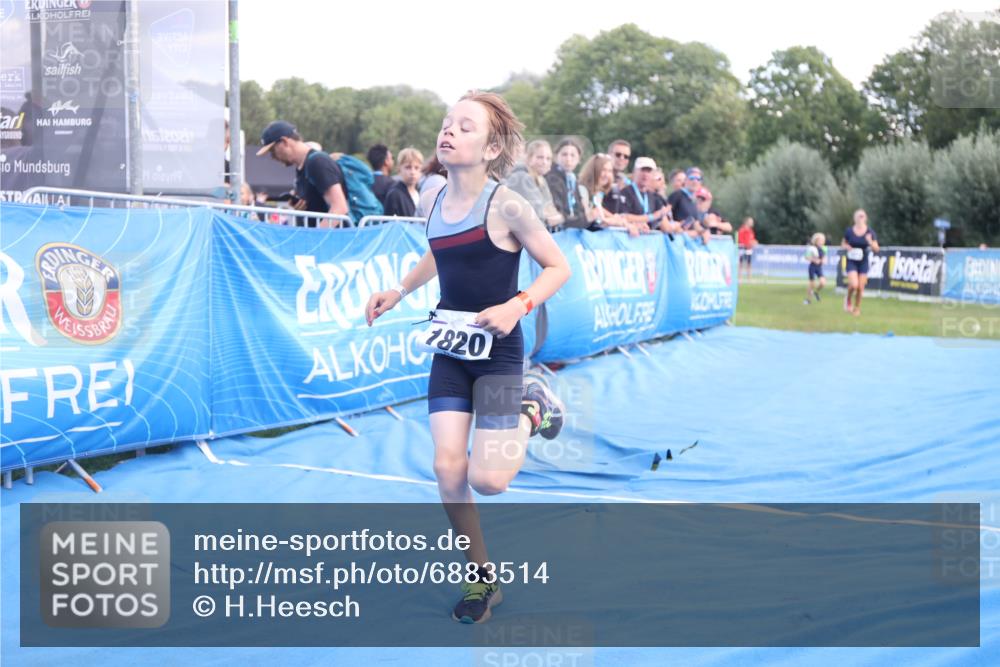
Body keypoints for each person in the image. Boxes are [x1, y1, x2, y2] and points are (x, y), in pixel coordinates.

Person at [364, 91, 570, 625]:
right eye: (446, 123)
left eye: (465, 126)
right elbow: (440, 248)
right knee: (447, 468)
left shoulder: (508, 204)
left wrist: (517, 305)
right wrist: (400, 291)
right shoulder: (430, 200)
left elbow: (557, 268)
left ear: (492, 146)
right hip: (452, 349)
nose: (449, 131)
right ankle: (482, 581)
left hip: (499, 352)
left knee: (490, 480)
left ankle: (534, 406)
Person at [257, 120, 349, 228]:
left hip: (333, 241)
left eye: (272, 151)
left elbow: (339, 208)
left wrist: (313, 239)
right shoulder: (303, 167)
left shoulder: (317, 162)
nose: (273, 157)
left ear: (284, 142)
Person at [503, 139, 564, 230]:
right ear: (529, 158)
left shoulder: (541, 179)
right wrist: (555, 216)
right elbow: (537, 216)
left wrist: (553, 215)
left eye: (548, 159)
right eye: (540, 157)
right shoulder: (522, 177)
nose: (544, 162)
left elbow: (550, 209)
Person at [577, 153, 635, 235]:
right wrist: (617, 222)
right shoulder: (582, 190)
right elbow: (590, 218)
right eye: (603, 170)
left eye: (609, 171)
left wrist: (621, 221)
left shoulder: (598, 194)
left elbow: (600, 213)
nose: (606, 175)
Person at [617, 157, 674, 233]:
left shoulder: (653, 197)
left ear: (653, 174)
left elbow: (665, 226)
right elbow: (623, 216)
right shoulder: (625, 192)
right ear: (634, 171)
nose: (645, 174)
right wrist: (652, 217)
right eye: (642, 170)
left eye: (649, 171)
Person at [841, 208, 880, 316]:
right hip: (851, 261)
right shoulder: (849, 231)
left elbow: (876, 249)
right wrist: (847, 246)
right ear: (855, 218)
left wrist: (870, 241)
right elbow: (843, 243)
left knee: (860, 287)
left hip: (863, 262)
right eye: (859, 216)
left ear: (866, 218)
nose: (861, 218)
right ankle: (848, 299)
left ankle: (857, 308)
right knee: (854, 284)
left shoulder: (870, 232)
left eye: (863, 216)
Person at [545, 138, 588, 228]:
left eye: (573, 155)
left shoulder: (572, 179)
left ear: (579, 159)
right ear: (556, 157)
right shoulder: (552, 178)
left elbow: (579, 210)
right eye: (564, 154)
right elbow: (560, 214)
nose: (568, 159)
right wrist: (586, 218)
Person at [383, 147, 424, 217]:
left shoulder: (421, 192)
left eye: (416, 168)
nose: (412, 172)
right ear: (399, 169)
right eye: (408, 167)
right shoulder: (394, 194)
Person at [803, 232, 827, 304]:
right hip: (812, 267)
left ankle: (816, 292)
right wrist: (814, 260)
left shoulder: (824, 248)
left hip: (819, 268)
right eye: (820, 240)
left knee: (823, 283)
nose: (821, 242)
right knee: (812, 284)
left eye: (823, 240)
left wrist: (823, 261)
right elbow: (806, 257)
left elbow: (824, 258)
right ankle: (808, 300)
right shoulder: (812, 248)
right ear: (816, 241)